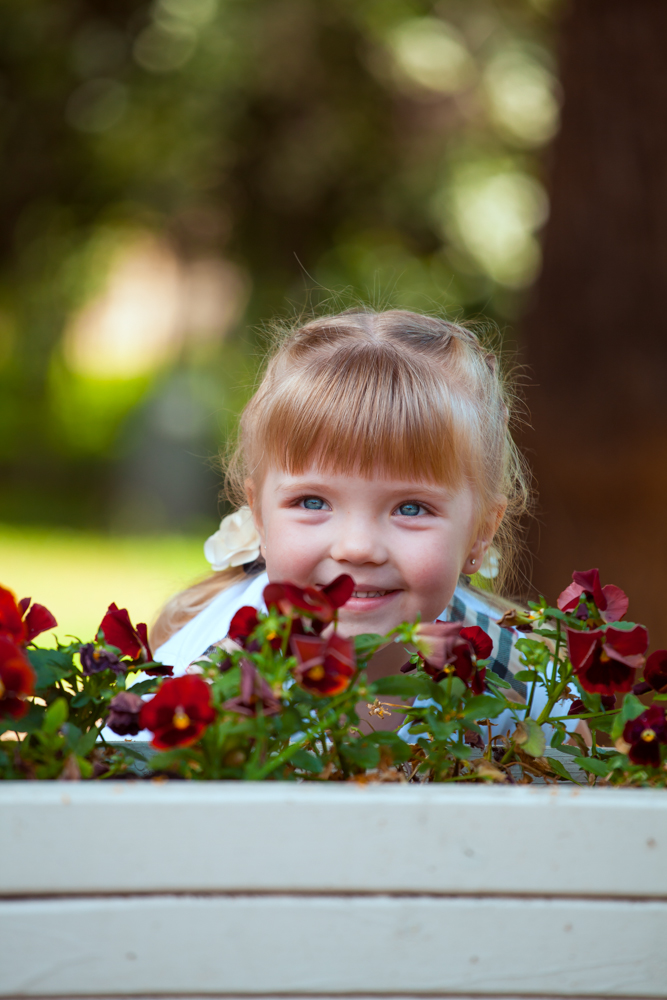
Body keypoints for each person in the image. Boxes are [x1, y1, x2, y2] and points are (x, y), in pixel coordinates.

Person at [128, 309, 579, 741]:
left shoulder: (526, 688)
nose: (358, 548)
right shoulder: (201, 688)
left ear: (481, 530)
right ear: (260, 517)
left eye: (411, 508)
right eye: (312, 501)